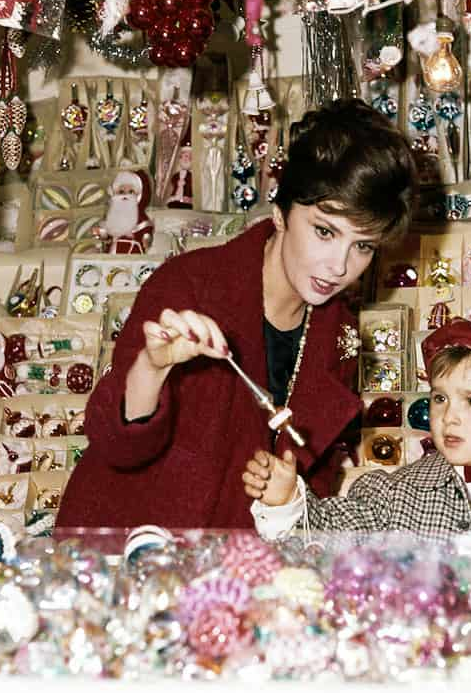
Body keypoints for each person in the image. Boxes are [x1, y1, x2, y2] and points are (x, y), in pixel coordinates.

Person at [57, 99, 417, 529]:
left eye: (363, 246)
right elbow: (116, 446)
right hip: (132, 553)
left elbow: (312, 479)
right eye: (324, 231)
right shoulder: (189, 286)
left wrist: (289, 493)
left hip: (238, 571)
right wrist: (150, 369)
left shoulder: (336, 331)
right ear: (281, 214)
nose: (339, 266)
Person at [245, 318, 471, 539]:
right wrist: (286, 502)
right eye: (440, 398)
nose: (449, 416)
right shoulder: (393, 496)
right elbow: (328, 533)